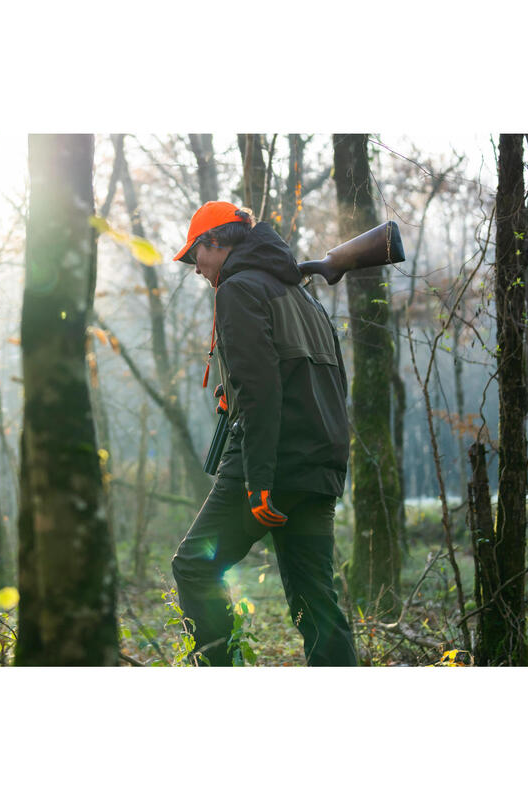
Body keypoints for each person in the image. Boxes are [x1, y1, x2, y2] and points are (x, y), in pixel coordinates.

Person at [171, 201, 357, 666]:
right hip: (319, 463)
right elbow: (327, 381)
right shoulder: (303, 296)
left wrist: (258, 481)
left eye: (196, 256)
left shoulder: (238, 289)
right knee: (316, 601)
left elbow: (260, 390)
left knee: (193, 566)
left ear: (215, 242)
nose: (196, 270)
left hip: (274, 462)